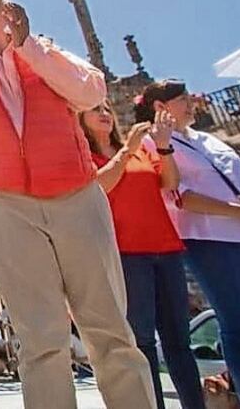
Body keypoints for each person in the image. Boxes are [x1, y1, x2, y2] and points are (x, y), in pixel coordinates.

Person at [0, 0, 154, 409]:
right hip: (4, 205)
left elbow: (91, 92)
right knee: (40, 336)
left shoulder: (41, 49)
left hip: (76, 196)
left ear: (6, 10)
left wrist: (29, 46)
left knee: (109, 328)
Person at [80, 98, 206, 409]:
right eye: (96, 109)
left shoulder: (142, 148)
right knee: (142, 342)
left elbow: (170, 182)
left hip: (166, 248)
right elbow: (99, 187)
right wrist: (126, 151)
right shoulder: (85, 157)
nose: (105, 114)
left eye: (108, 108)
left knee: (179, 341)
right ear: (80, 119)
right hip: (127, 254)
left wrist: (163, 147)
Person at [138, 79, 240, 408]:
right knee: (236, 320)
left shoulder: (208, 140)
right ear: (161, 107)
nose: (191, 104)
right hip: (208, 238)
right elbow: (179, 196)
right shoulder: (153, 142)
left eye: (189, 98)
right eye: (182, 99)